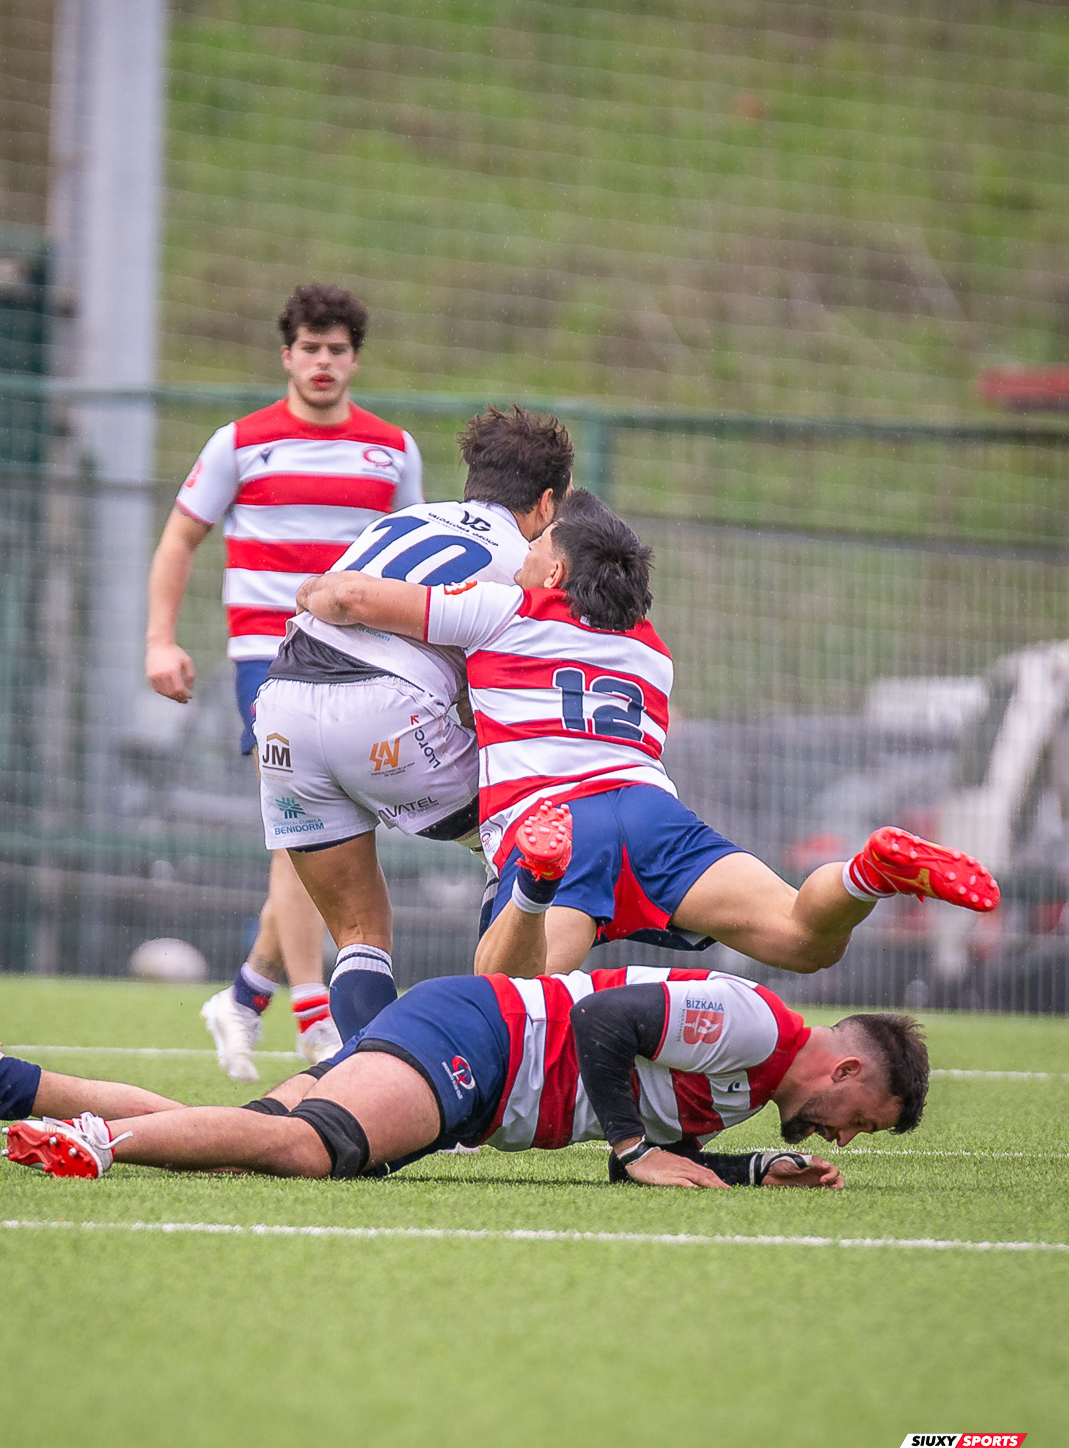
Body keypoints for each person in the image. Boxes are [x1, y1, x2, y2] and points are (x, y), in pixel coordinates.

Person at [293, 489, 1001, 979]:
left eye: (537, 544)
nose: (524, 551)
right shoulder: (651, 652)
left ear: (557, 571)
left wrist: (310, 594)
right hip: (652, 814)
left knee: (505, 989)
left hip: (557, 822)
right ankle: (865, 872)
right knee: (800, 938)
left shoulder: (503, 609)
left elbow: (354, 597)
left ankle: (536, 886)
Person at [0, 968, 929, 1188]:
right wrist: (631, 1151)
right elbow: (609, 1022)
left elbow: (667, 1136)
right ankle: (94, 1147)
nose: (843, 1137)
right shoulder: (754, 1021)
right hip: (481, 1039)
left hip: (476, 1064)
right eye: (858, 1120)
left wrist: (752, 1176)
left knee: (255, 1125)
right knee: (314, 1149)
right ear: (840, 1067)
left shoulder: (755, 1086)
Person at [145, 283, 423, 1080]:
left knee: (318, 829)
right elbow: (178, 540)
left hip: (362, 664)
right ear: (287, 355)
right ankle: (315, 1014)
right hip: (269, 659)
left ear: (354, 358)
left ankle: (243, 993)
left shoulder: (392, 451)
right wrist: (160, 641)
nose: (324, 362)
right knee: (307, 819)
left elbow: (410, 557)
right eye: (310, 347)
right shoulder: (241, 442)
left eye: (337, 349)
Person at [251, 405, 575, 1041]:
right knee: (522, 847)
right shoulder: (530, 561)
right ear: (545, 503)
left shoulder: (401, 520)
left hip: (284, 703)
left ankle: (370, 1097)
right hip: (384, 709)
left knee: (360, 936)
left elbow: (320, 592)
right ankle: (484, 1064)